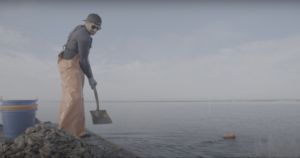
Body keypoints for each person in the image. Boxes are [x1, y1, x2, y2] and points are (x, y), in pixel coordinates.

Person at [57, 13, 101, 138]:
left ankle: (77, 132)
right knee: (72, 98)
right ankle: (64, 133)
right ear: (87, 22)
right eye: (93, 27)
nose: (95, 30)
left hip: (74, 66)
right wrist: (90, 77)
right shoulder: (84, 36)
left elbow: (83, 59)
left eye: (98, 28)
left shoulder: (81, 29)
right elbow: (83, 60)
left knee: (79, 98)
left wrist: (88, 75)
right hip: (70, 66)